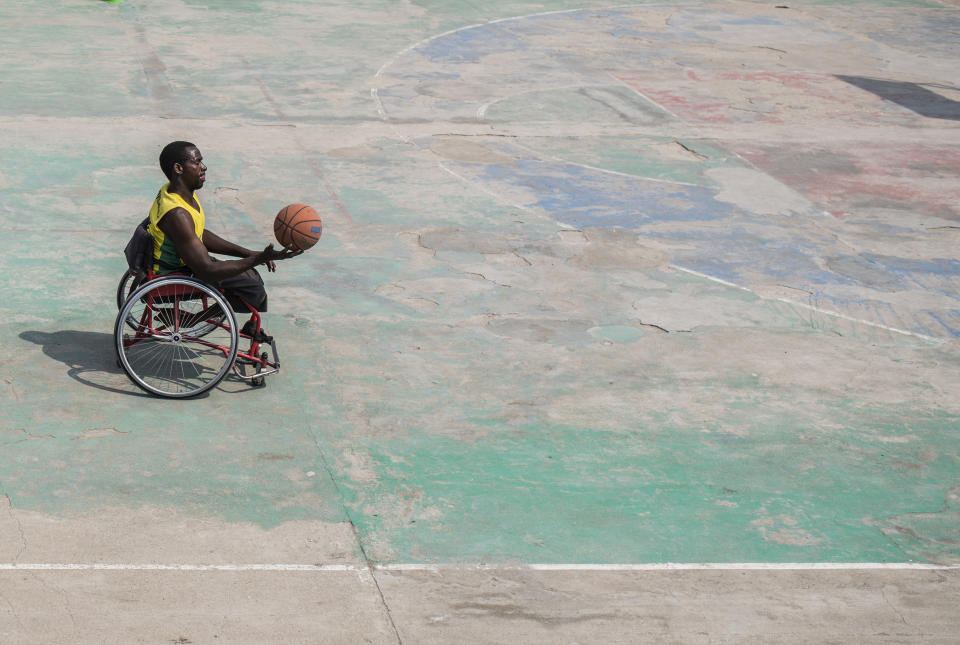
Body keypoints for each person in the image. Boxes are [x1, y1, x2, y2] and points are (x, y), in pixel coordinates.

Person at [149, 141, 299, 335]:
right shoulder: (178, 214)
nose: (204, 167)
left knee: (250, 275)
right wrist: (256, 259)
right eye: (197, 162)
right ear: (178, 168)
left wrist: (249, 254)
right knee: (254, 288)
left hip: (179, 261)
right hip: (175, 274)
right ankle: (192, 319)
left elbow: (199, 234)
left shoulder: (174, 192)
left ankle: (252, 325)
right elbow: (207, 271)